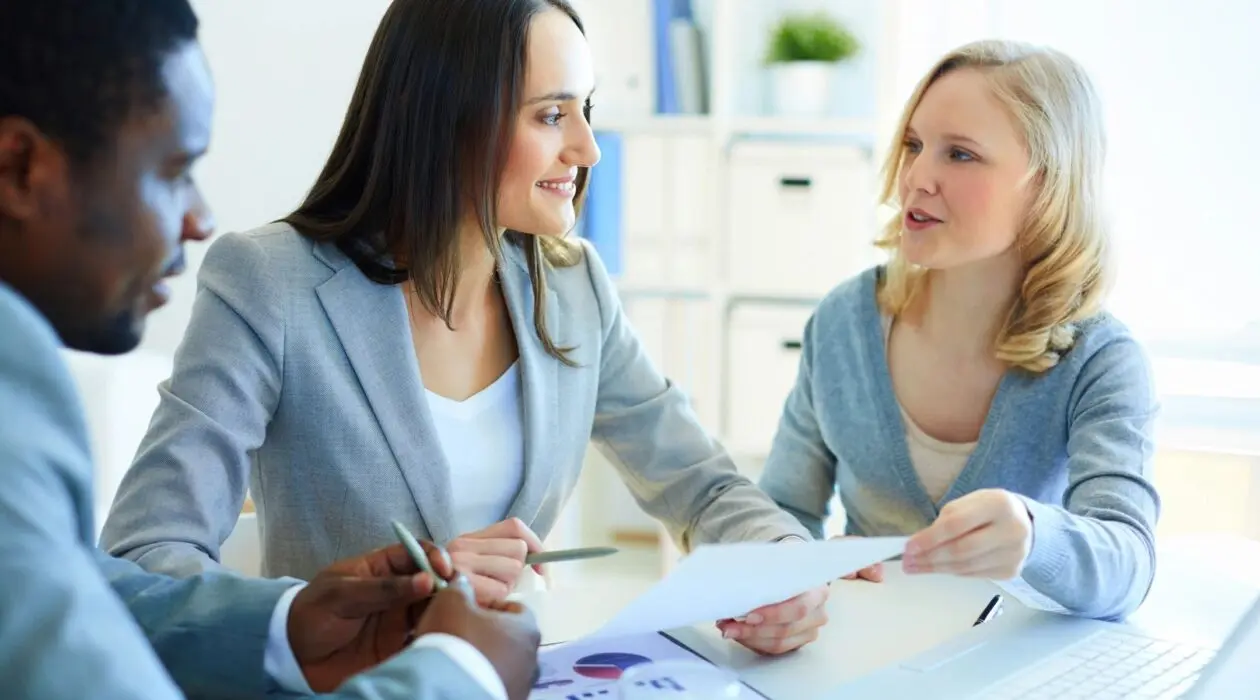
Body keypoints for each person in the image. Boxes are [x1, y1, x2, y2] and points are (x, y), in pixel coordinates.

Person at [98, 0, 826, 656]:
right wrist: (334, 609)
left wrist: (785, 564)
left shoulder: (573, 285)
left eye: (586, 110)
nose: (587, 149)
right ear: (449, 117)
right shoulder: (269, 282)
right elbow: (143, 557)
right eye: (550, 115)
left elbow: (701, 485)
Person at [0, 1, 541, 698]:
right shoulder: (16, 385)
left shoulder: (565, 286)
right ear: (20, 169)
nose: (201, 218)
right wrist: (461, 673)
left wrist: (284, 624)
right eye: (173, 172)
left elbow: (63, 587)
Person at [757, 40, 1160, 621]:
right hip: (860, 655)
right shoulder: (844, 322)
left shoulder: (1101, 359)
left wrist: (1031, 535)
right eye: (914, 145)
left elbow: (1130, 566)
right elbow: (781, 509)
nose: (917, 177)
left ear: (1047, 186)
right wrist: (803, 559)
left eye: (961, 155)